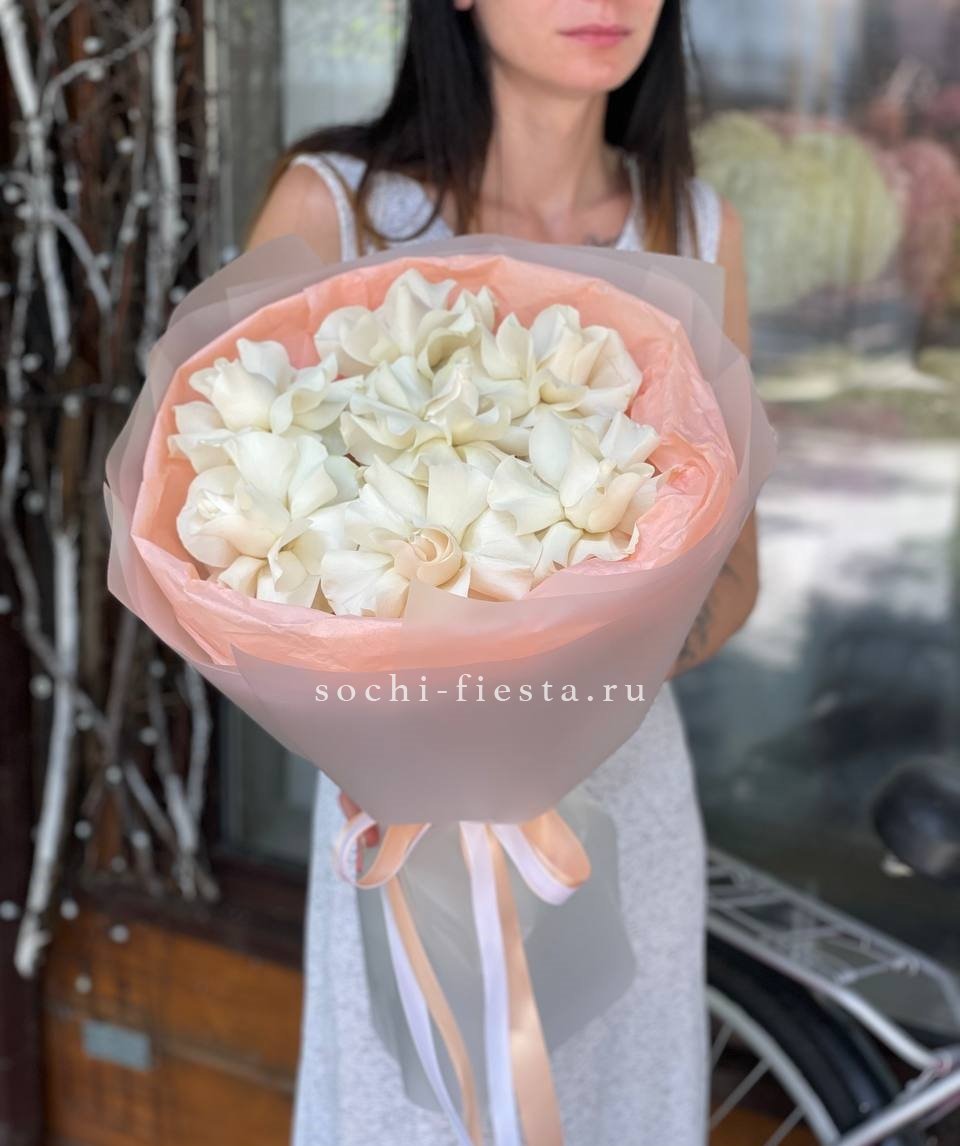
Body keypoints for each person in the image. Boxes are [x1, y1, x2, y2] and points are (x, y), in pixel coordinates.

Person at [248, 2, 759, 1142]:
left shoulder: (694, 229)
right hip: (409, 818)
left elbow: (735, 574)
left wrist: (560, 689)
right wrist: (421, 710)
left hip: (622, 806)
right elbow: (226, 536)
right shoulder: (337, 211)